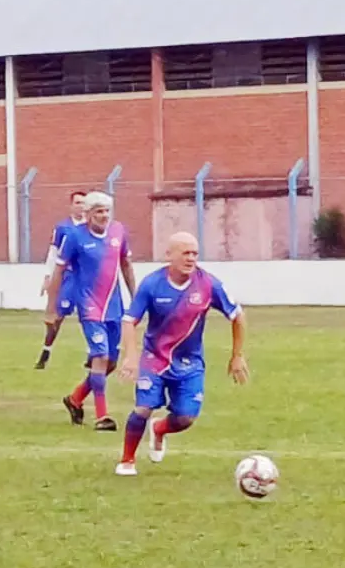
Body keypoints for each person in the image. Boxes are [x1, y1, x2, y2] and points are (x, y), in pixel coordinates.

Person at [115, 231, 248, 476]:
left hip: (190, 362)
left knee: (186, 418)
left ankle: (159, 430)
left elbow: (237, 315)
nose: (191, 258)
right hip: (154, 358)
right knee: (143, 408)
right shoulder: (152, 284)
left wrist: (237, 355)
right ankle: (127, 461)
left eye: (195, 253)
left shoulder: (209, 284)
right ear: (169, 255)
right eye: (185, 253)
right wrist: (131, 356)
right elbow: (129, 320)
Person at [44, 190, 136, 432]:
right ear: (88, 215)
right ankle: (102, 417)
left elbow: (126, 265)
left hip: (115, 307)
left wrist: (136, 298)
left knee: (111, 363)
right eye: (98, 211)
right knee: (100, 356)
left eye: (107, 211)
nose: (104, 216)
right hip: (89, 305)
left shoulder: (119, 232)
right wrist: (51, 308)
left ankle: (75, 399)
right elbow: (59, 272)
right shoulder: (75, 237)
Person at [35, 190, 87, 368]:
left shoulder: (91, 228)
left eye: (83, 203)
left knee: (90, 316)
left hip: (87, 277)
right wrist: (48, 277)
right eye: (78, 203)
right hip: (69, 277)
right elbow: (54, 253)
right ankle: (46, 350)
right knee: (57, 317)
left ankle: (93, 353)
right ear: (71, 205)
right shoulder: (63, 228)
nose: (81, 206)